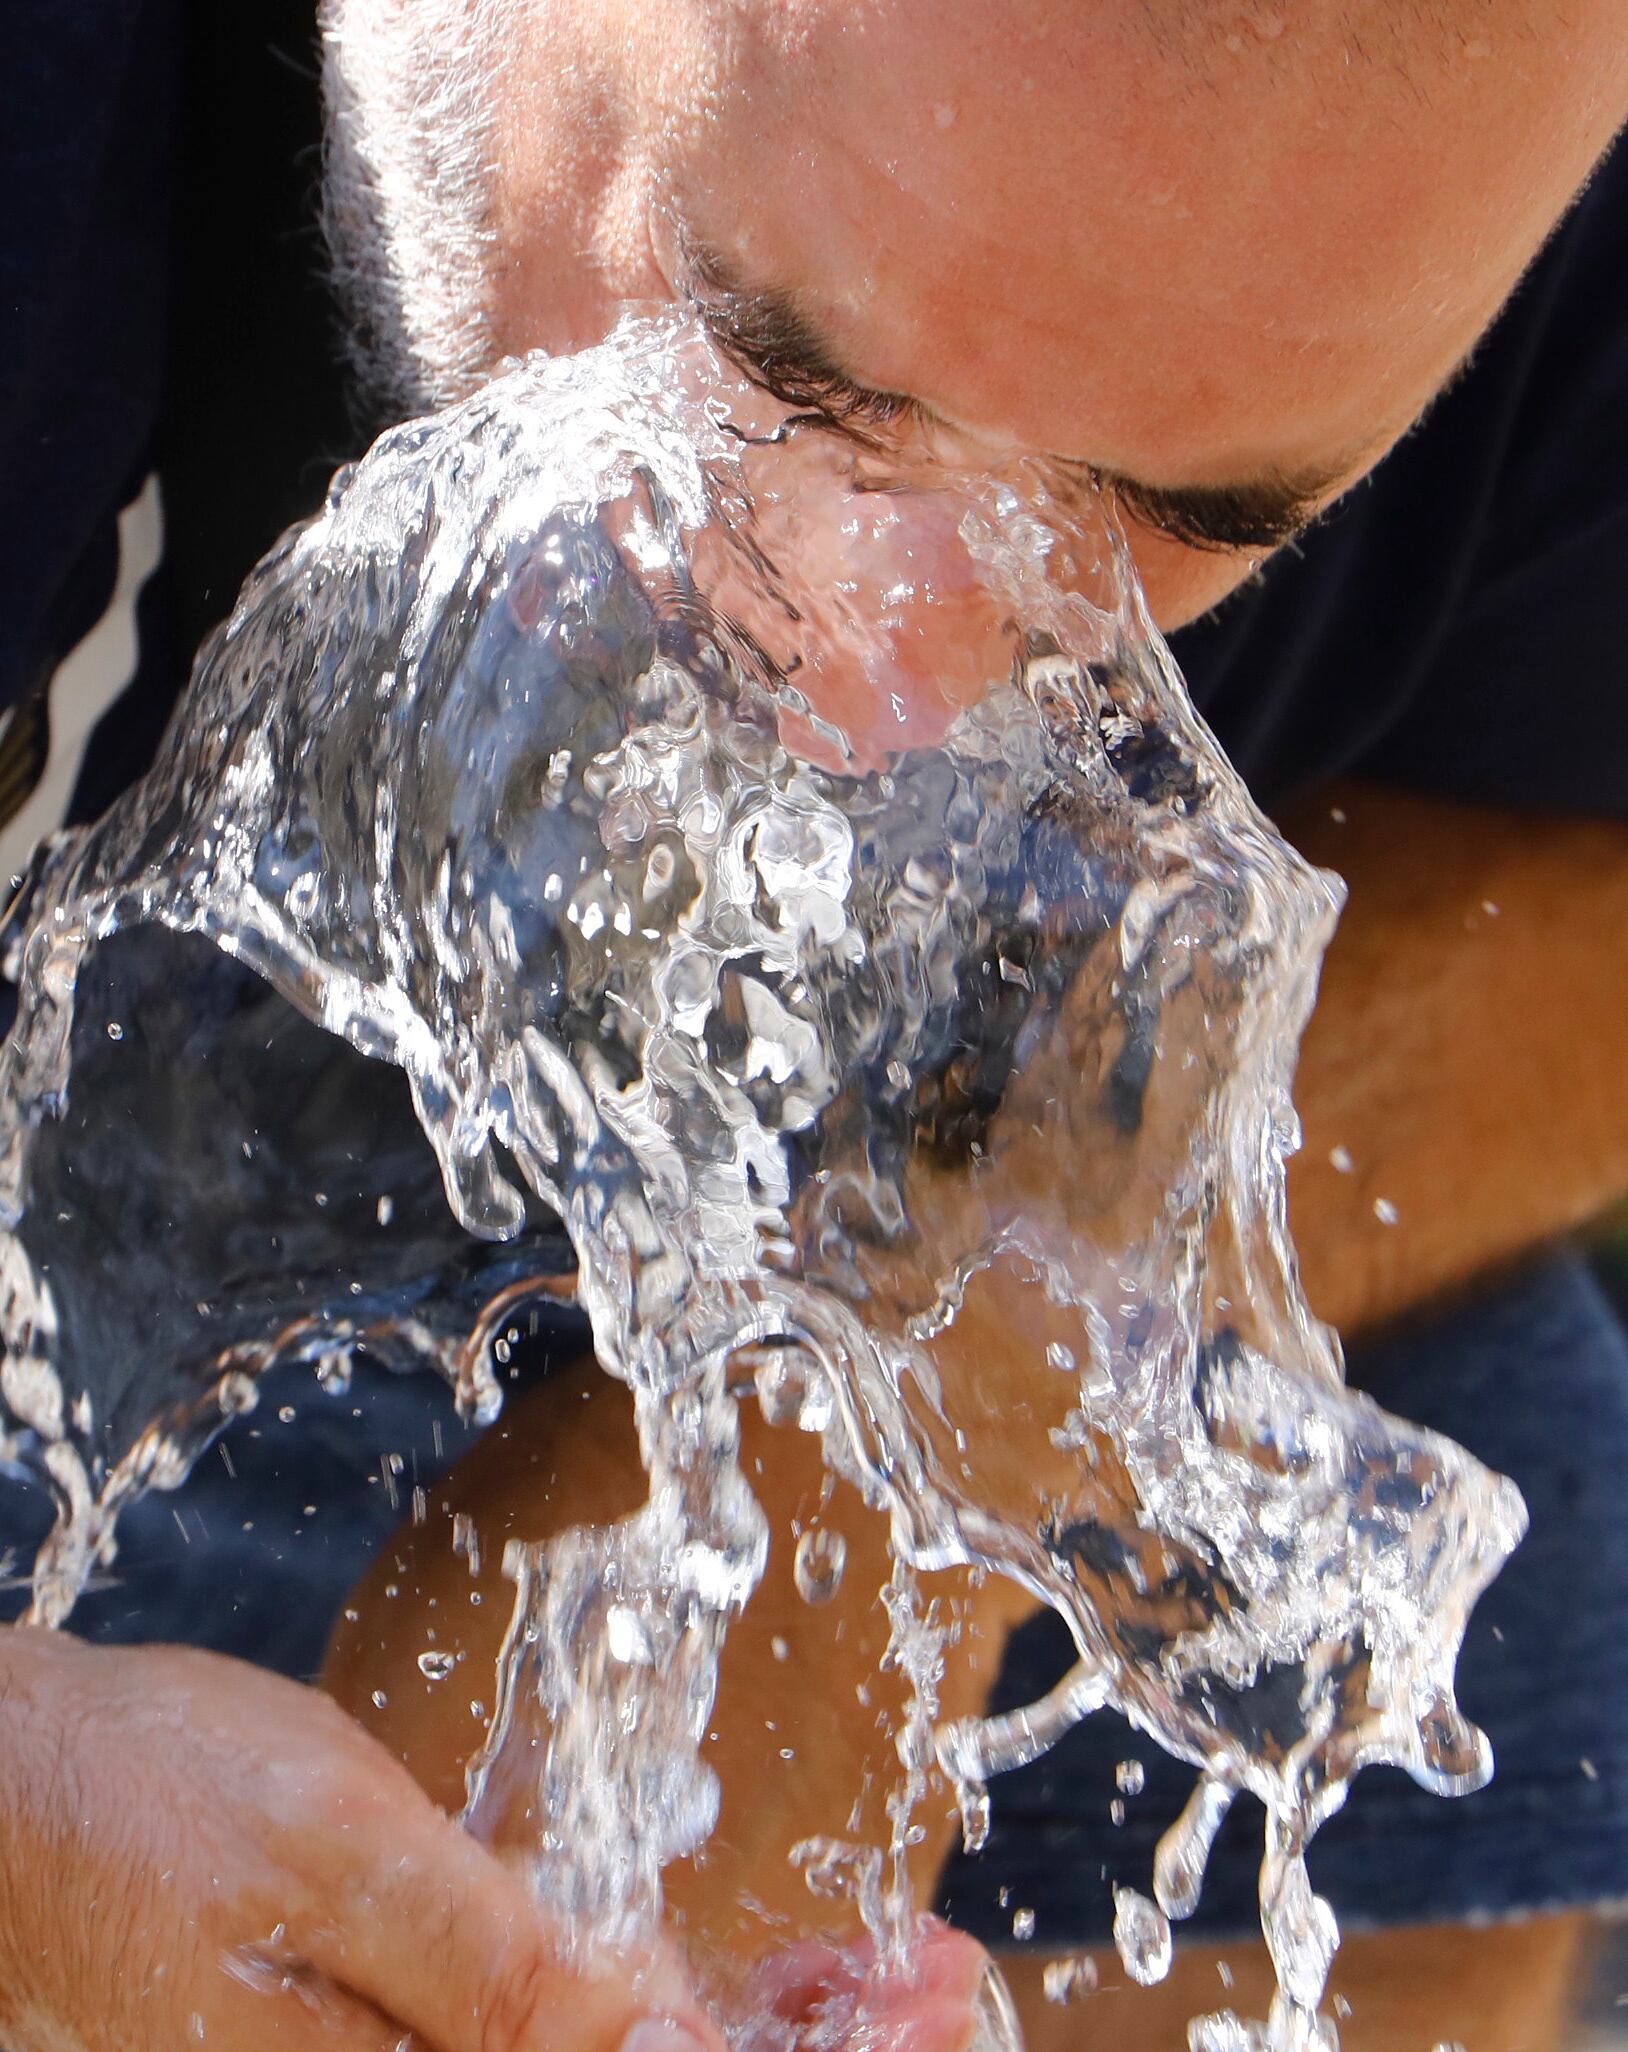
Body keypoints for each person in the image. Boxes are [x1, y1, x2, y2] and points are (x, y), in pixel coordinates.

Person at [2, 1, 1627, 2046]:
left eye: (1190, 519)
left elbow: (1578, 902)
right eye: (785, 371)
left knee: (1489, 1534)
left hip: (696, 1175)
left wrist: (878, 1427)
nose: (878, 712)